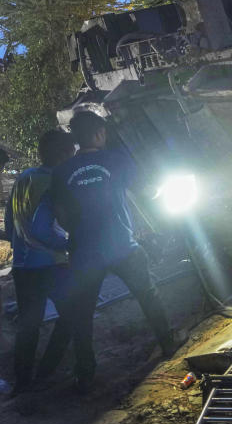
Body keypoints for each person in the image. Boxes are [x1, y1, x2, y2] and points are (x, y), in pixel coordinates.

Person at [51, 111, 177, 393]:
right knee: (148, 294)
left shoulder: (61, 172)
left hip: (85, 253)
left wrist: (79, 230)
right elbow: (145, 190)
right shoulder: (116, 159)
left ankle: (85, 373)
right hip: (121, 245)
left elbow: (60, 216)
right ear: (98, 134)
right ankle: (169, 344)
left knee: (82, 315)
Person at [3, 130, 76, 395]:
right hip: (51, 265)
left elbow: (10, 222)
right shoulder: (52, 181)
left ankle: (22, 383)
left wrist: (19, 247)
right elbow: (44, 229)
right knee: (72, 316)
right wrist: (68, 246)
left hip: (23, 266)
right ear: (64, 154)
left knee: (28, 325)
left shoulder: (25, 177)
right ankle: (46, 372)